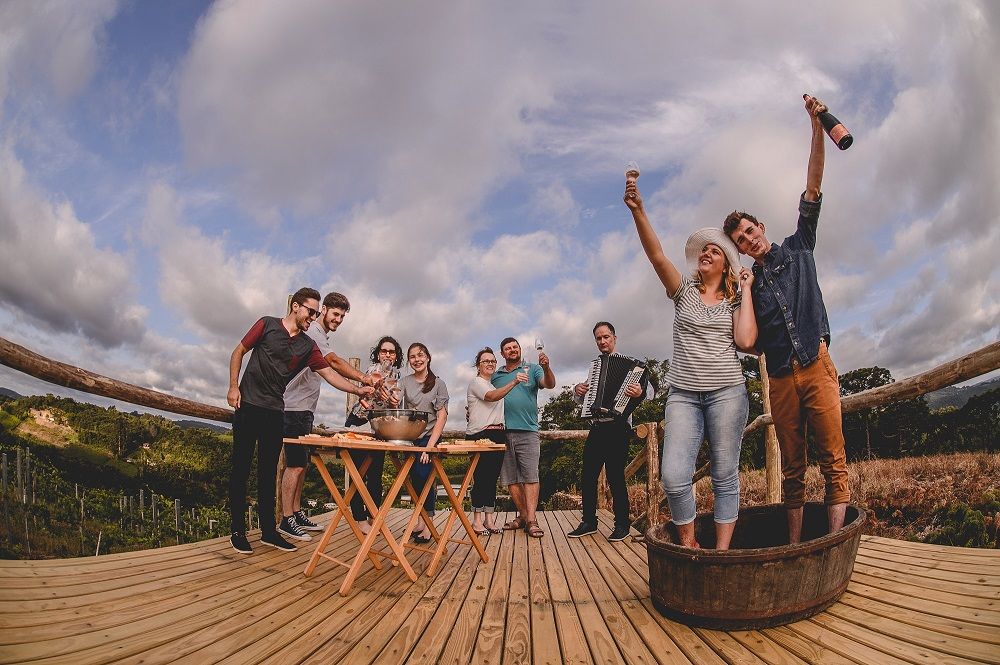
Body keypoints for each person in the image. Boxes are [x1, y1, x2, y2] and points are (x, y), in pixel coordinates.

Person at [724, 94, 850, 544]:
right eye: (741, 239)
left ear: (761, 227)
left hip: (816, 364)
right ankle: (796, 547)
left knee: (833, 460)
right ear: (739, 248)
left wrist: (816, 127)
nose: (749, 239)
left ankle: (832, 545)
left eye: (751, 230)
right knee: (793, 469)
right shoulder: (748, 287)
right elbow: (747, 342)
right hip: (779, 379)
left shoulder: (799, 247)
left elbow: (813, 183)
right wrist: (747, 291)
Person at [626, 181, 757, 550]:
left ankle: (721, 552)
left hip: (727, 393)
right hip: (683, 394)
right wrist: (638, 210)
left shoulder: (734, 302)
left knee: (724, 475)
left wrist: (745, 291)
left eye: (715, 251)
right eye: (703, 250)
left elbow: (746, 341)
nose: (706, 253)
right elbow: (656, 257)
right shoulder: (682, 291)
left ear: (726, 263)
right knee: (674, 476)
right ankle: (689, 544)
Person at [226, 287, 373, 554]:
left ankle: (269, 532)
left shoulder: (307, 345)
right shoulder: (266, 324)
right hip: (248, 406)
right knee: (241, 469)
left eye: (317, 312)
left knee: (268, 472)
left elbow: (329, 374)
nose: (313, 316)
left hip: (275, 412)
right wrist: (234, 386)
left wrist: (358, 389)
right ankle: (237, 531)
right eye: (311, 311)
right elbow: (239, 351)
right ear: (296, 306)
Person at [278, 292, 378, 542]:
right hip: (291, 407)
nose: (339, 319)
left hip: (305, 409)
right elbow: (332, 362)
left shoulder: (321, 335)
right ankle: (286, 519)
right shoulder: (312, 334)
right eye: (335, 314)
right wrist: (363, 379)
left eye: (342, 316)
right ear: (323, 310)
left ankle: (297, 512)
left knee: (303, 465)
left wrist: (358, 389)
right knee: (295, 465)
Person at [568, 322, 647, 542]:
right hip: (597, 427)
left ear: (614, 337)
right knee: (588, 476)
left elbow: (648, 390)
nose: (602, 341)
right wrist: (577, 390)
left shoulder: (633, 366)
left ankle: (622, 524)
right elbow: (584, 395)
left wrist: (640, 390)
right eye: (598, 338)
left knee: (615, 477)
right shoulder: (595, 367)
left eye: (606, 337)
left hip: (618, 428)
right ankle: (589, 522)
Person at [492, 337, 556, 538]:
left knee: (530, 476)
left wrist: (546, 368)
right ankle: (523, 516)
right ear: (502, 354)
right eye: (508, 348)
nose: (512, 350)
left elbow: (549, 384)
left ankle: (531, 520)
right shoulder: (496, 376)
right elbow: (486, 397)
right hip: (501, 432)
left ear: (519, 350)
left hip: (528, 430)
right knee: (511, 479)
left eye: (515, 347)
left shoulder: (533, 369)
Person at [345, 335, 404, 535]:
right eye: (383, 351)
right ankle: (359, 518)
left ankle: (373, 515)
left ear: (396, 356)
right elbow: (375, 389)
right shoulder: (373, 371)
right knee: (358, 473)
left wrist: (394, 402)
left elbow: (395, 401)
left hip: (378, 426)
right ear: (378, 354)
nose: (387, 354)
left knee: (375, 474)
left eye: (391, 351)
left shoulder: (399, 377)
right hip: (359, 422)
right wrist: (383, 393)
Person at [466, 347, 525, 535]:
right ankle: (476, 521)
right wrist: (515, 381)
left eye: (493, 361)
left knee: (492, 480)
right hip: (479, 435)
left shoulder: (492, 384)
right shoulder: (476, 382)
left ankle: (489, 520)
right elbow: (492, 398)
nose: (490, 363)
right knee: (481, 479)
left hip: (497, 434)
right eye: (486, 361)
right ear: (478, 365)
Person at [400, 342, 449, 543]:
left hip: (430, 437)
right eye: (412, 357)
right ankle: (420, 520)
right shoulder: (404, 382)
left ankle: (428, 523)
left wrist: (430, 447)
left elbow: (442, 417)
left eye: (420, 355)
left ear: (428, 357)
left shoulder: (438, 383)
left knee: (424, 475)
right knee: (414, 479)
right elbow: (397, 406)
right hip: (411, 438)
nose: (417, 359)